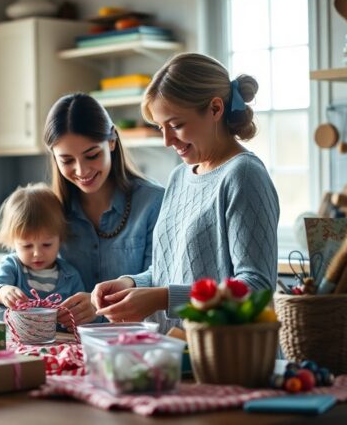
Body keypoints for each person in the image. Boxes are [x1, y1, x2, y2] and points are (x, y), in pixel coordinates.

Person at [91, 52, 280, 332]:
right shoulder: (179, 177)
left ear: (215, 109)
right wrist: (130, 284)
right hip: (174, 353)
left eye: (176, 125)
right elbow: (168, 271)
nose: (167, 140)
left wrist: (162, 298)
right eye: (160, 127)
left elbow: (255, 289)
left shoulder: (243, 175)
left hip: (229, 357)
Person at [43, 93, 165, 325]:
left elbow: (161, 276)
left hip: (132, 343)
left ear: (111, 141)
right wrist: (1, 292)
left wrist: (98, 304)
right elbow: (16, 268)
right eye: (67, 160)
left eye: (92, 155)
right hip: (65, 342)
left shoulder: (153, 201)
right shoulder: (51, 209)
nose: (82, 170)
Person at [0, 183, 85, 326]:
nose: (37, 253)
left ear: (60, 239)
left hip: (59, 342)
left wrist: (76, 316)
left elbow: (82, 315)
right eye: (27, 246)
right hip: (17, 343)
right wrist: (1, 292)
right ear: (13, 242)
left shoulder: (70, 276)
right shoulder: (12, 266)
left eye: (47, 245)